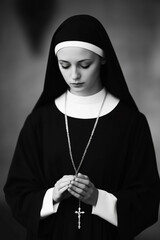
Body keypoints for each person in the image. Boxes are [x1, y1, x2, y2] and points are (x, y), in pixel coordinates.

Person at [4, 14, 160, 240]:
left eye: (85, 65)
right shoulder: (39, 121)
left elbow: (147, 198)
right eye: (64, 65)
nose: (74, 75)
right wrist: (51, 196)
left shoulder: (131, 123)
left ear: (103, 59)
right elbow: (16, 191)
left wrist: (98, 199)